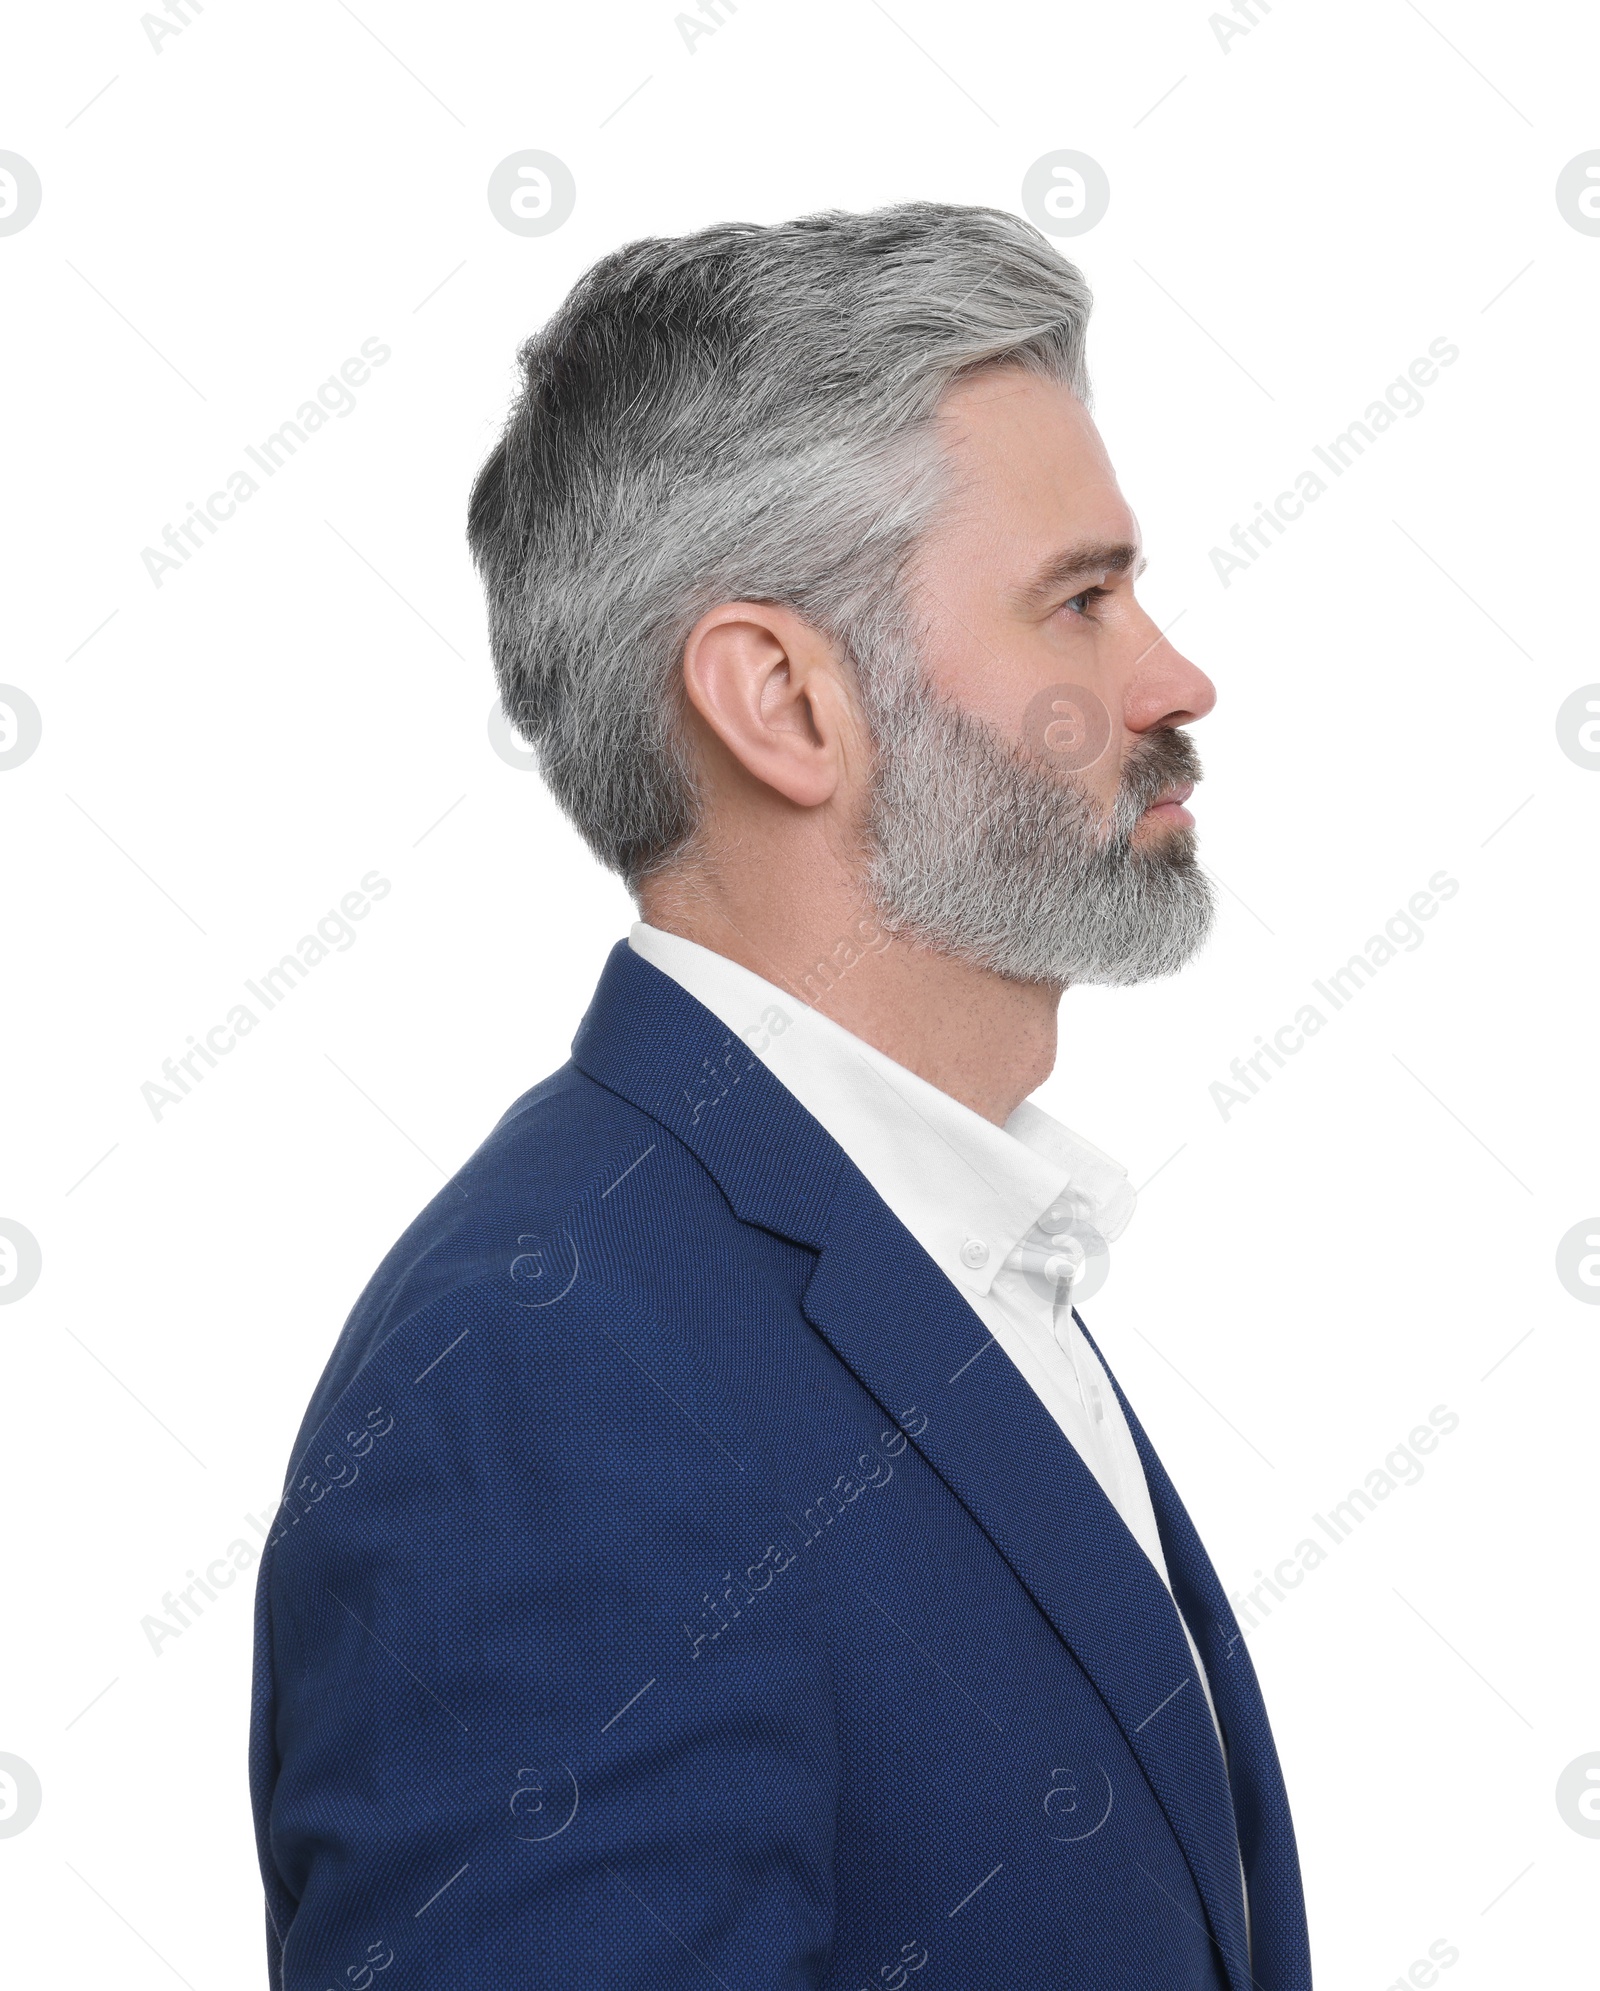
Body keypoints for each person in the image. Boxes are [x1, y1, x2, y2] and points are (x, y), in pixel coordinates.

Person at [249, 202, 1311, 1990]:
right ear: (781, 702)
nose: (1174, 678)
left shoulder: (936, 1252)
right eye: (1078, 598)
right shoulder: (549, 1381)